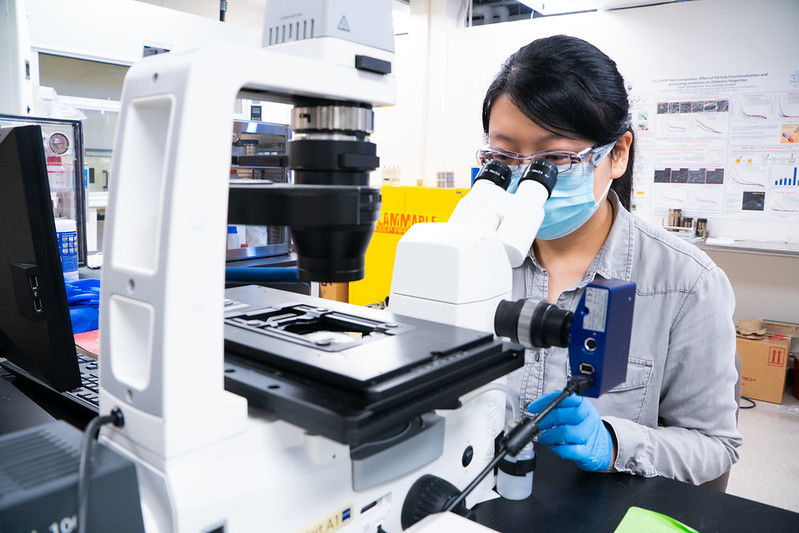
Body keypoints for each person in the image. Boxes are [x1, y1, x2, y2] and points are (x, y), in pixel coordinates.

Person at [479, 35, 741, 484]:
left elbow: (714, 447)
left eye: (554, 159)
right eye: (505, 156)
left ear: (617, 153)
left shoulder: (686, 284)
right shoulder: (475, 256)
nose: (525, 179)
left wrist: (614, 442)